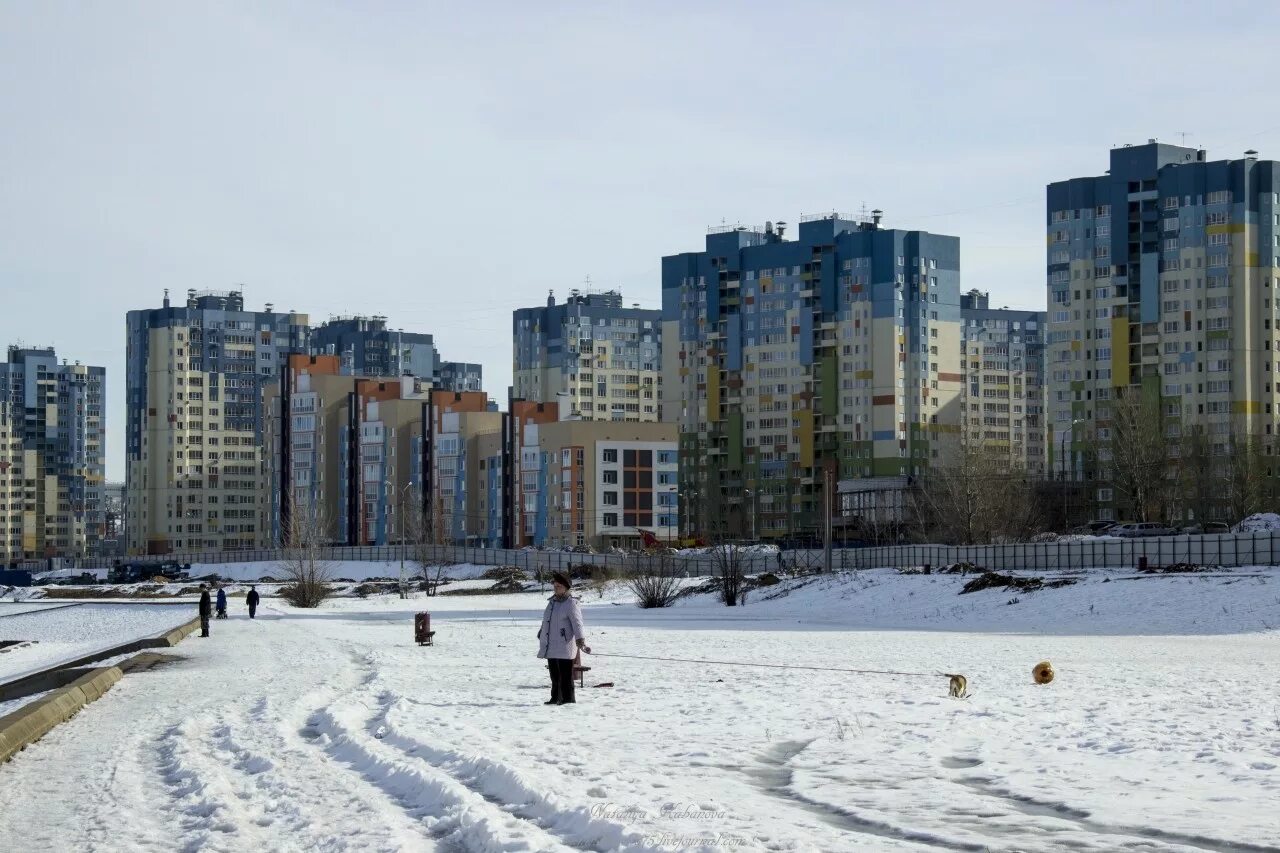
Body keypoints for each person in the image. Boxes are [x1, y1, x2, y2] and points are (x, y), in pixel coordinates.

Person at [536, 571, 589, 705]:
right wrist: (542, 632)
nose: (556, 587)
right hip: (551, 644)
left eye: (559, 586)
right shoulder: (552, 602)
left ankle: (568, 699)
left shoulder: (571, 603)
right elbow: (547, 620)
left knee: (565, 676)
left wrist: (580, 639)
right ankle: (555, 698)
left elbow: (578, 623)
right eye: (555, 585)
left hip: (565, 644)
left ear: (566, 587)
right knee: (554, 675)